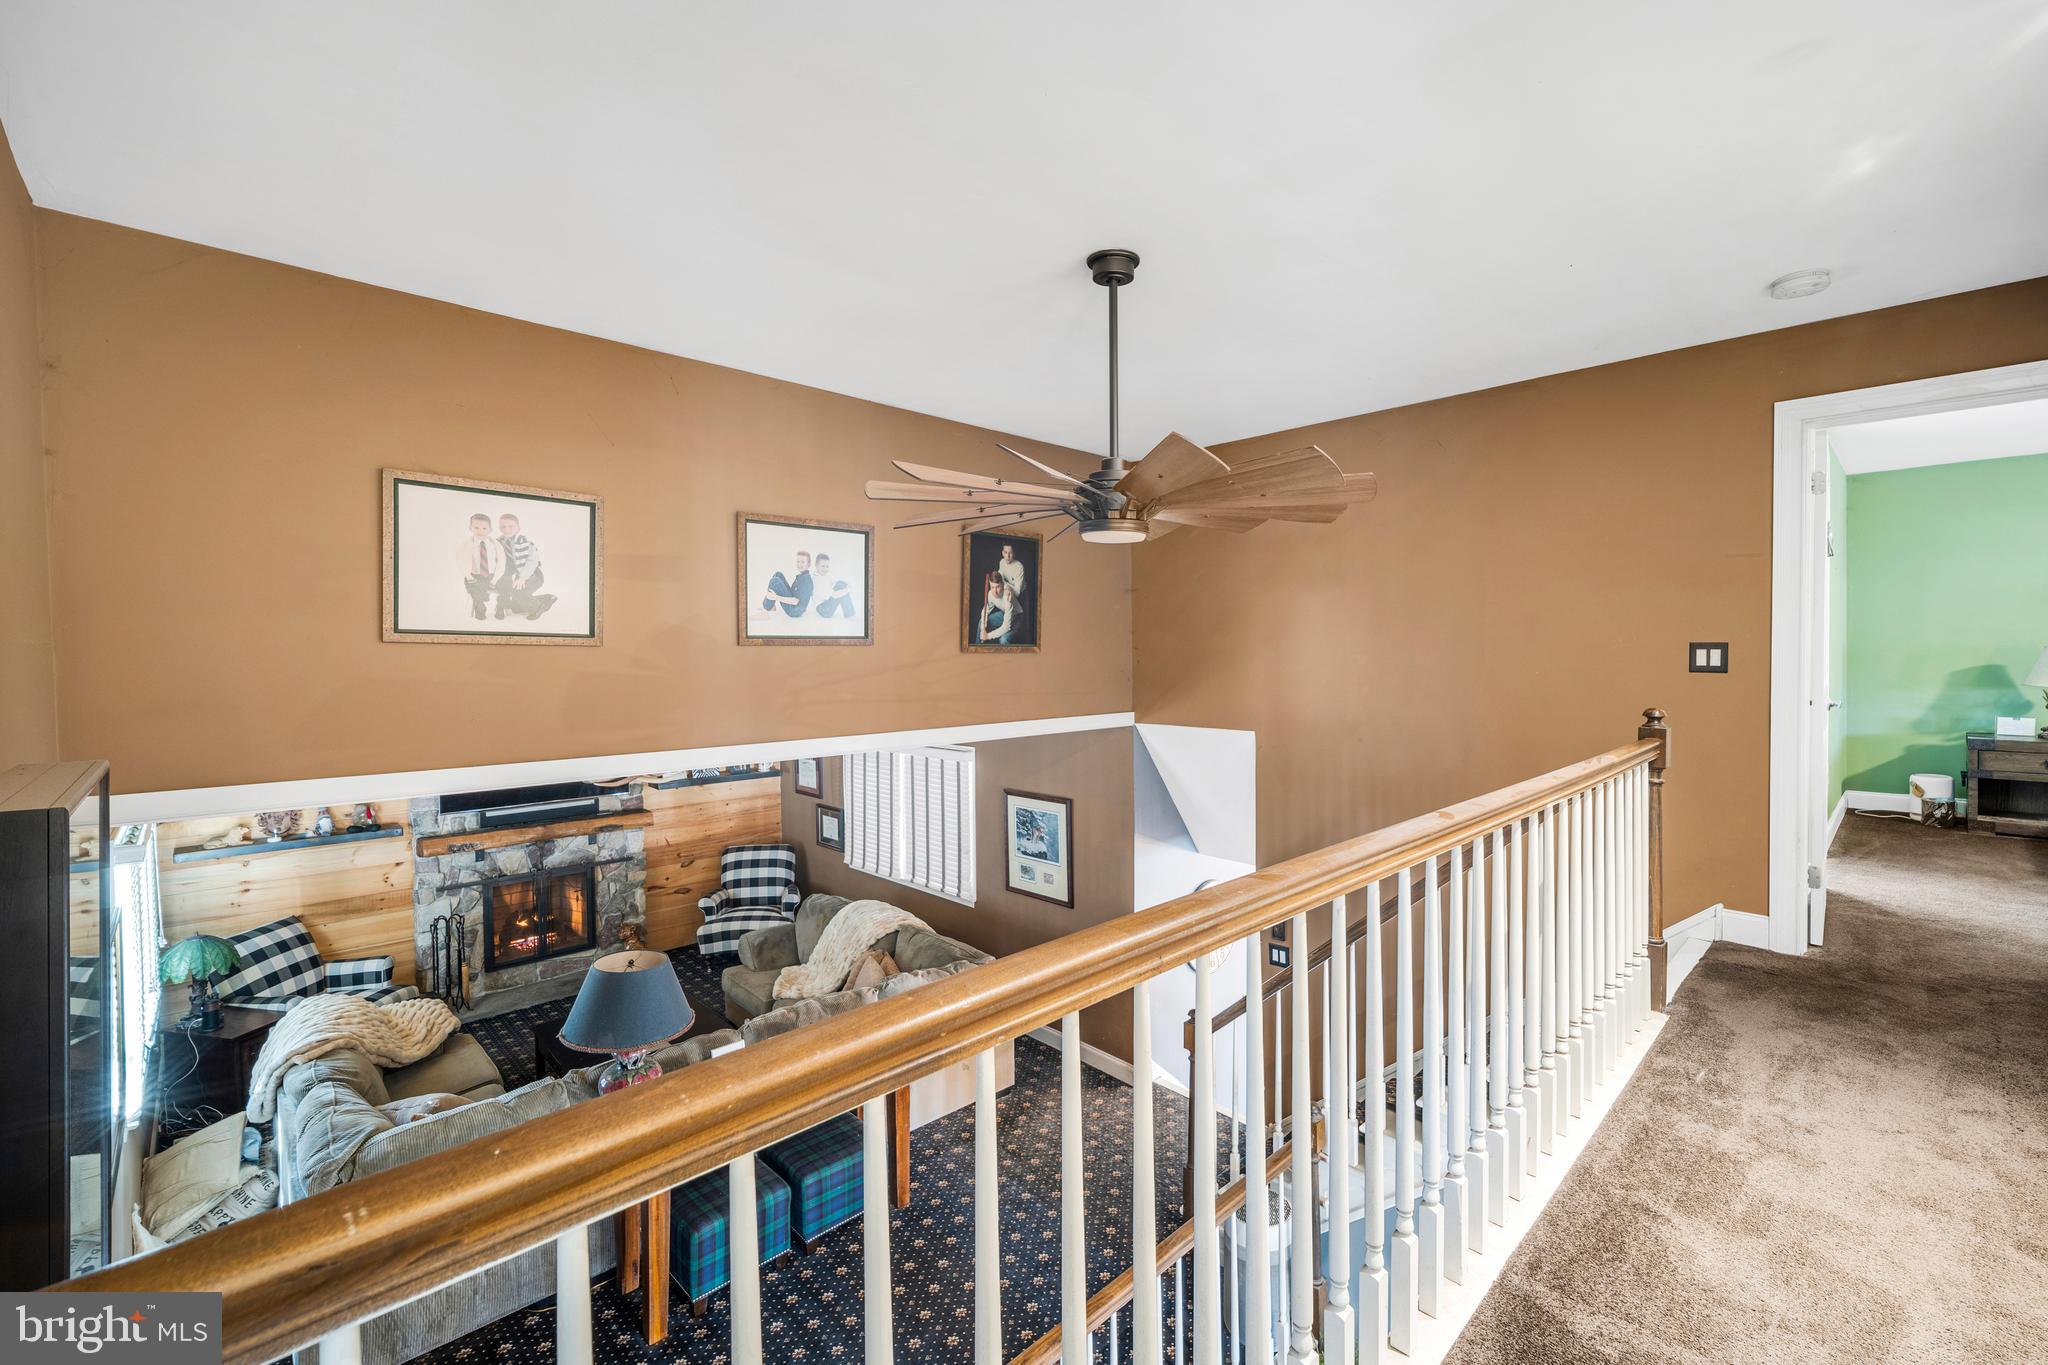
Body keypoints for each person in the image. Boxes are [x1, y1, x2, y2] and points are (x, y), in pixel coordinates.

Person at [494, 512, 557, 621]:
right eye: (503, 527)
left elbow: (533, 561)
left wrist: (523, 577)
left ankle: (537, 607)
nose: (507, 529)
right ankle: (547, 598)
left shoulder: (525, 542)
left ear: (518, 528)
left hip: (532, 575)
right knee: (515, 607)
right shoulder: (499, 542)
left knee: (517, 592)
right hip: (517, 576)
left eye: (511, 526)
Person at [460, 512, 507, 621]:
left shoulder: (495, 544)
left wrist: (495, 580)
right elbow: (461, 562)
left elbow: (501, 561)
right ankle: (480, 608)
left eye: (484, 528)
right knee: (475, 590)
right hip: (474, 575)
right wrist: (469, 577)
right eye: (476, 527)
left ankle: (500, 606)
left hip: (493, 575)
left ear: (490, 529)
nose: (480, 531)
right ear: (470, 528)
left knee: (506, 586)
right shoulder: (466, 545)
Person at [760, 550, 813, 617]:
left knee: (775, 581)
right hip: (794, 605)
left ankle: (765, 611)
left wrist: (775, 597)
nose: (799, 564)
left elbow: (795, 601)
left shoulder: (806, 581)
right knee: (778, 574)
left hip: (794, 611)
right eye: (798, 561)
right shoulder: (802, 576)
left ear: (808, 564)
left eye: (802, 562)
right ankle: (770, 606)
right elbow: (794, 594)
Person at [812, 551, 857, 619]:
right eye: (823, 566)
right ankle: (849, 614)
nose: (825, 569)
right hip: (823, 610)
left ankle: (849, 614)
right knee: (841, 587)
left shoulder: (824, 576)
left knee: (840, 583)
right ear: (816, 565)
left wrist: (847, 584)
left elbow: (834, 583)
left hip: (826, 605)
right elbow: (834, 595)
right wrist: (847, 590)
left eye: (827, 566)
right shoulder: (817, 579)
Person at [977, 569, 1016, 644]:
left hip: (1017, 617)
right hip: (1004, 614)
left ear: (1002, 584)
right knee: (981, 623)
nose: (995, 591)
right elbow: (986, 610)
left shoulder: (1008, 597)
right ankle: (977, 649)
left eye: (998, 587)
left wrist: (988, 636)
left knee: (1003, 640)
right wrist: (983, 628)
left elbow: (1006, 627)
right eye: (992, 587)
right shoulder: (990, 594)